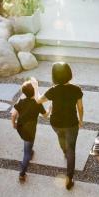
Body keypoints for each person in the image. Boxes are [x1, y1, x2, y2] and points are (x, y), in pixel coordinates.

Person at [33, 62, 83, 190]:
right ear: (69, 74)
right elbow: (80, 108)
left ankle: (65, 152)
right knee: (72, 148)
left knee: (61, 138)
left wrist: (36, 88)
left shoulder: (53, 90)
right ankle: (70, 177)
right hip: (72, 123)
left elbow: (38, 100)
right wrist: (81, 120)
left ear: (54, 76)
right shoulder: (76, 89)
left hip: (56, 123)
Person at [11, 80, 48, 182]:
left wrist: (13, 124)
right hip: (30, 130)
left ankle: (30, 150)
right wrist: (50, 109)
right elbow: (45, 116)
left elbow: (13, 114)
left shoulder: (21, 101)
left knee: (26, 142)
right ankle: (22, 174)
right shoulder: (37, 103)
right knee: (27, 153)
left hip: (20, 127)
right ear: (34, 92)